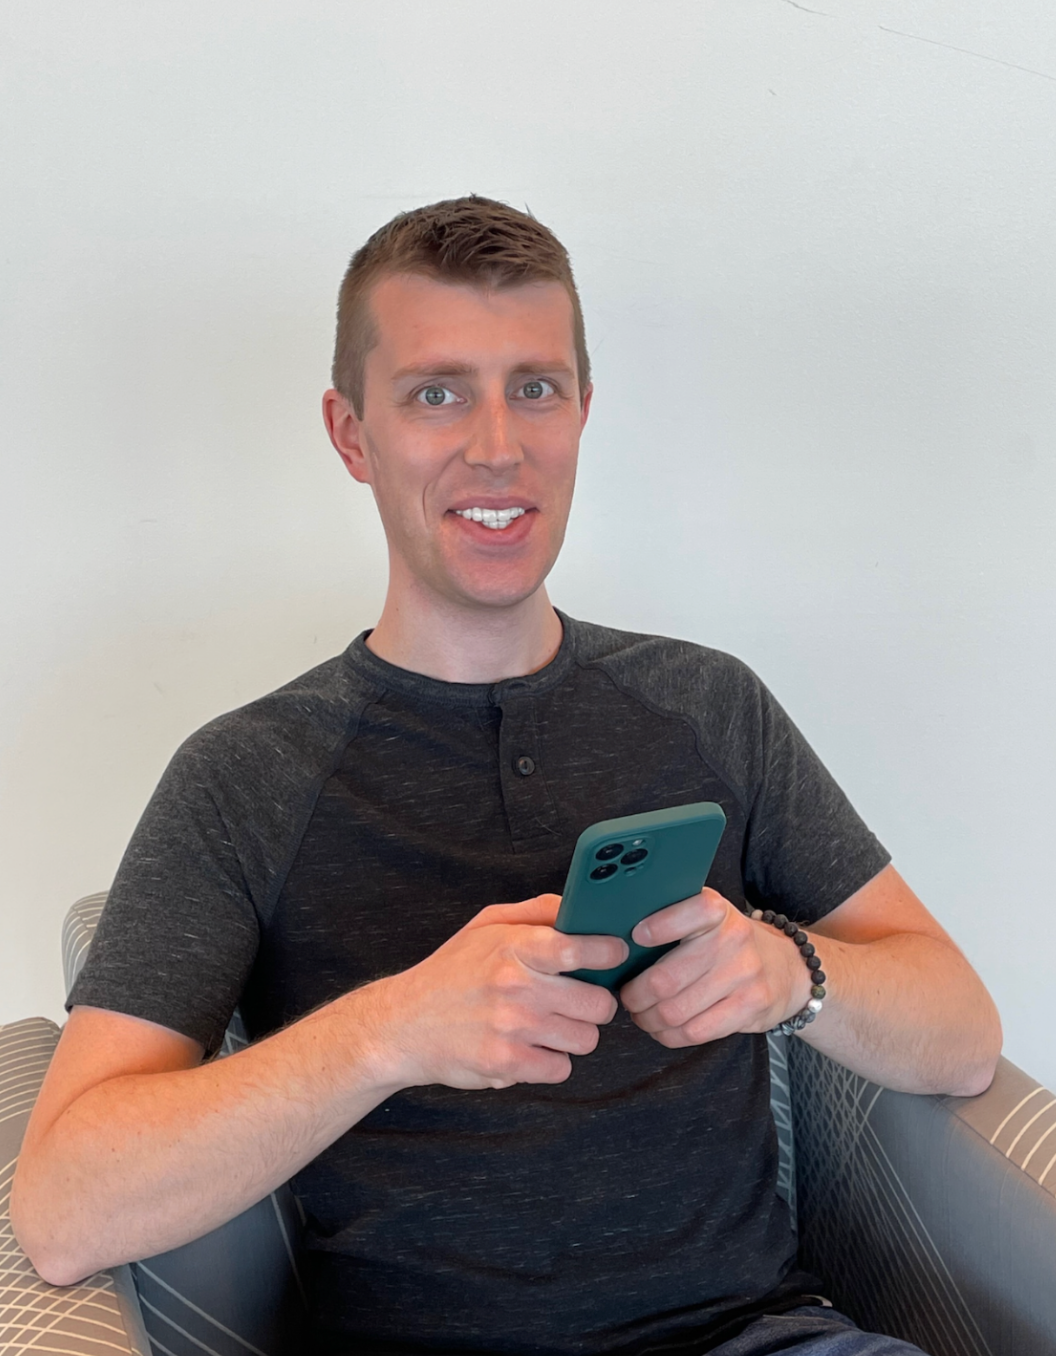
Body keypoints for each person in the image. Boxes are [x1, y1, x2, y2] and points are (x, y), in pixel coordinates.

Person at [12, 197, 1002, 1356]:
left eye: (535, 387)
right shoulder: (246, 776)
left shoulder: (709, 706)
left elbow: (963, 1030)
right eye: (438, 393)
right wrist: (389, 1033)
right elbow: (63, 1207)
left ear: (584, 411)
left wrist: (793, 974)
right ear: (351, 434)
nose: (498, 443)